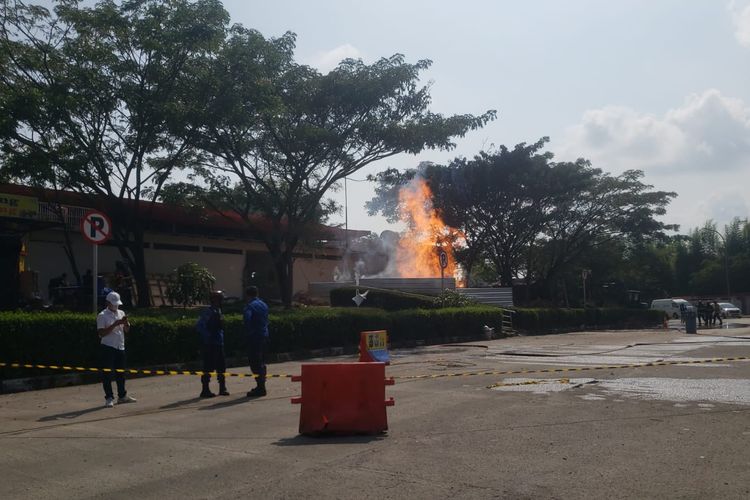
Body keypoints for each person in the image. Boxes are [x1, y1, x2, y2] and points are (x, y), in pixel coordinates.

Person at [96, 291, 136, 408]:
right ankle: (109, 397)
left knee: (121, 373)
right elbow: (101, 333)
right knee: (107, 374)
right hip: (108, 347)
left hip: (120, 346)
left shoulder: (121, 312)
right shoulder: (102, 315)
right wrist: (115, 324)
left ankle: (122, 396)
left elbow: (127, 330)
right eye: (114, 304)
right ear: (108, 302)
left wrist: (126, 323)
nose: (116, 306)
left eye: (117, 304)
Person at [196, 290, 229, 398]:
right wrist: (208, 336)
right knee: (208, 367)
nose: (222, 301)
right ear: (215, 300)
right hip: (210, 344)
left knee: (221, 366)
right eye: (220, 299)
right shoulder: (208, 312)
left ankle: (222, 387)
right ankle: (205, 389)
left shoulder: (218, 310)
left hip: (219, 343)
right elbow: (200, 326)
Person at [243, 286, 269, 397]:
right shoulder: (264, 304)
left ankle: (260, 387)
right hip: (264, 335)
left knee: (254, 362)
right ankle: (262, 385)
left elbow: (247, 320)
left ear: (247, 295)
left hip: (254, 337)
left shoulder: (249, 306)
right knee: (262, 362)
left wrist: (248, 332)